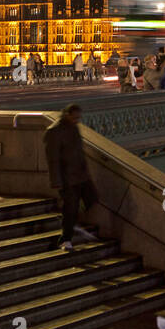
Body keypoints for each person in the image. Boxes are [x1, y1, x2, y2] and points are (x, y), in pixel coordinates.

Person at [44, 104, 99, 252]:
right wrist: (56, 181)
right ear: (67, 114)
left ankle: (74, 223)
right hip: (67, 178)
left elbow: (79, 152)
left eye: (78, 118)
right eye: (75, 118)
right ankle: (66, 239)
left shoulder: (73, 127)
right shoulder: (54, 132)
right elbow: (53, 159)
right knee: (70, 207)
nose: (77, 121)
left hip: (80, 175)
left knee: (92, 199)